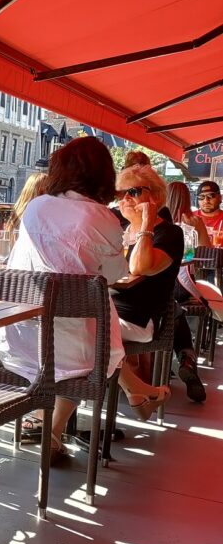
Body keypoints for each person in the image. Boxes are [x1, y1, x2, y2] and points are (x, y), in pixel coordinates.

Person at [0, 137, 127, 462]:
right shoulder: (104, 218)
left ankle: (43, 421)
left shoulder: (36, 206)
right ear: (103, 175)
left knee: (77, 334)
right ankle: (51, 428)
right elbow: (113, 276)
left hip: (19, 334)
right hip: (75, 349)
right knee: (95, 341)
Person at [111, 163, 184, 417]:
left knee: (82, 328)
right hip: (110, 311)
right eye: (119, 194)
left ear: (153, 195)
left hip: (141, 320)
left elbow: (140, 267)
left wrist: (146, 222)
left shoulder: (170, 233)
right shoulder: (121, 230)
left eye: (132, 192)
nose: (124, 200)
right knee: (76, 326)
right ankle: (139, 391)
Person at [164, 181, 208, 402]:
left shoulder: (159, 224)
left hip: (165, 286)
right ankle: (187, 360)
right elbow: (205, 253)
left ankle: (167, 365)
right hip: (185, 286)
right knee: (174, 310)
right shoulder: (193, 222)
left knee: (170, 309)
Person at [193, 180, 223, 244]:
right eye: (201, 197)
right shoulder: (191, 218)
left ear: (220, 198)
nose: (206, 201)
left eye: (211, 196)